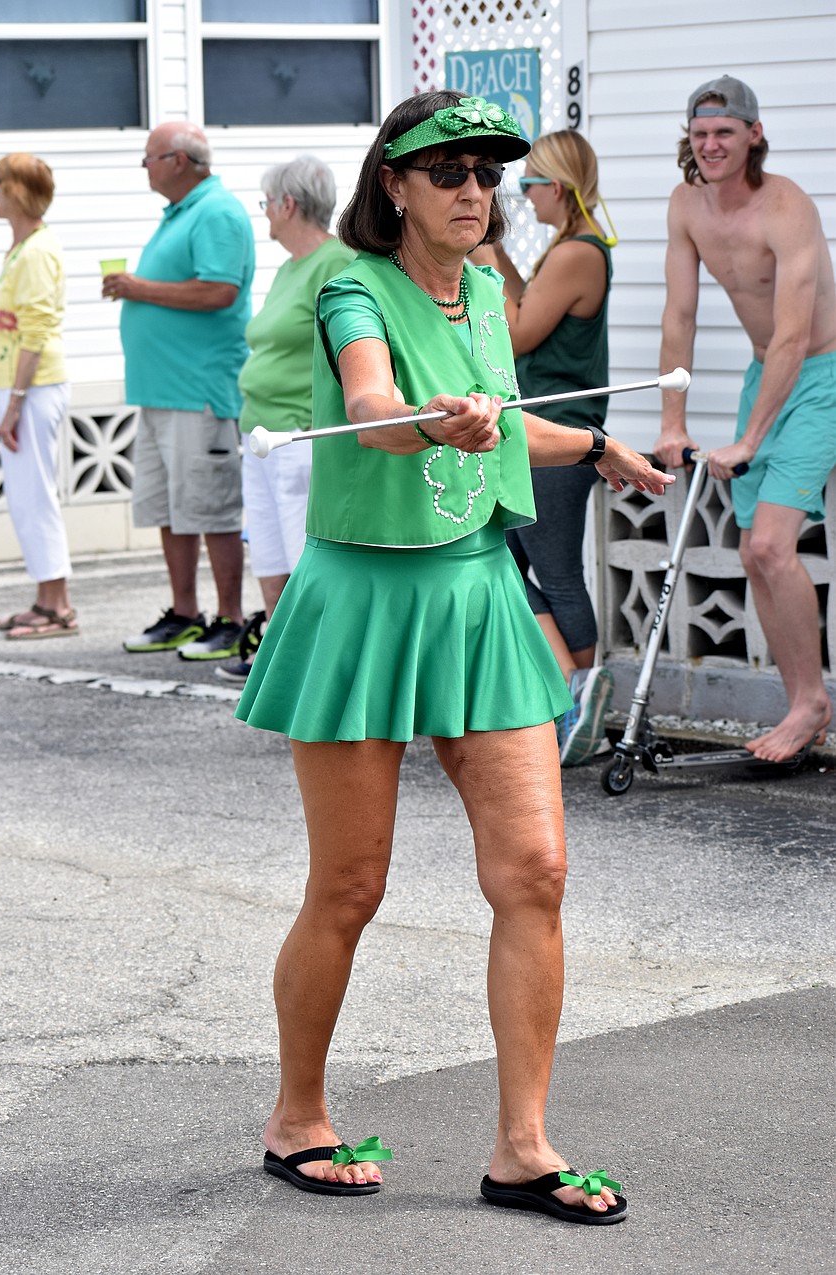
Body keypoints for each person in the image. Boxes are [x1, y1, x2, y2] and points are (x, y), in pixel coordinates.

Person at [236, 91, 674, 1222]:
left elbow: (500, 411)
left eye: (487, 172)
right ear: (394, 183)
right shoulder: (350, 284)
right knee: (349, 884)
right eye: (449, 172)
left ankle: (522, 1148)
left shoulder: (484, 288)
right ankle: (297, 1119)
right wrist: (425, 422)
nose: (474, 191)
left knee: (535, 871)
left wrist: (594, 443)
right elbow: (378, 400)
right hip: (367, 600)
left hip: (477, 591)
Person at [655, 75, 836, 763]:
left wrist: (750, 439)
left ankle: (809, 700)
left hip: (822, 373)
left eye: (724, 132)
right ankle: (805, 702)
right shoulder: (686, 205)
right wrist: (673, 420)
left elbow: (794, 337)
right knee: (751, 551)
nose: (710, 145)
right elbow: (680, 315)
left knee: (768, 546)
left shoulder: (786, 206)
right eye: (700, 134)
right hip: (767, 375)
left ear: (753, 134)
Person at [471, 129, 618, 766]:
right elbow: (527, 302)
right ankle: (567, 693)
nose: (522, 196)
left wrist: (479, 273)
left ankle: (583, 701)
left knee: (554, 572)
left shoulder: (579, 253)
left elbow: (521, 332)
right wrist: (496, 253)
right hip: (537, 425)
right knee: (501, 558)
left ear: (556, 187)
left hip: (560, 429)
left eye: (528, 185)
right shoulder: (566, 249)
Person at [108, 121, 256, 661]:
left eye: (149, 158)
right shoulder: (181, 213)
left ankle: (230, 618)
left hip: (200, 391)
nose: (144, 167)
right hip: (161, 391)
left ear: (177, 160)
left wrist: (137, 288)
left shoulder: (216, 211)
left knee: (212, 508)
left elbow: (220, 291)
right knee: (172, 507)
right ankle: (185, 613)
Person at [216, 155, 354, 685]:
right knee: (270, 548)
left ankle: (318, 664)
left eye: (266, 203)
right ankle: (281, 653)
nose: (265, 213)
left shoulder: (333, 263)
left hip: (299, 433)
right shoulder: (289, 266)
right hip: (259, 433)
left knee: (305, 554)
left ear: (288, 204)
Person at [0, 153, 76, 640]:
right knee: (25, 496)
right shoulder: (21, 248)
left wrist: (16, 401)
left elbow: (37, 327)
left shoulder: (38, 249)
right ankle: (47, 599)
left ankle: (58, 606)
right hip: (21, 386)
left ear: (16, 190)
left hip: (34, 387)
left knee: (34, 494)